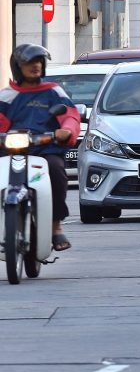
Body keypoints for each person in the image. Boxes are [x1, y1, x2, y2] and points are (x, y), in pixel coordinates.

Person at [0, 44, 80, 251]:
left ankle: (55, 227)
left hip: (46, 151)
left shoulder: (53, 91)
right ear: (17, 67)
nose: (35, 66)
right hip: (12, 151)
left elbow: (70, 115)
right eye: (29, 62)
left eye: (38, 61)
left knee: (56, 171)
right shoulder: (7, 95)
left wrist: (67, 130)